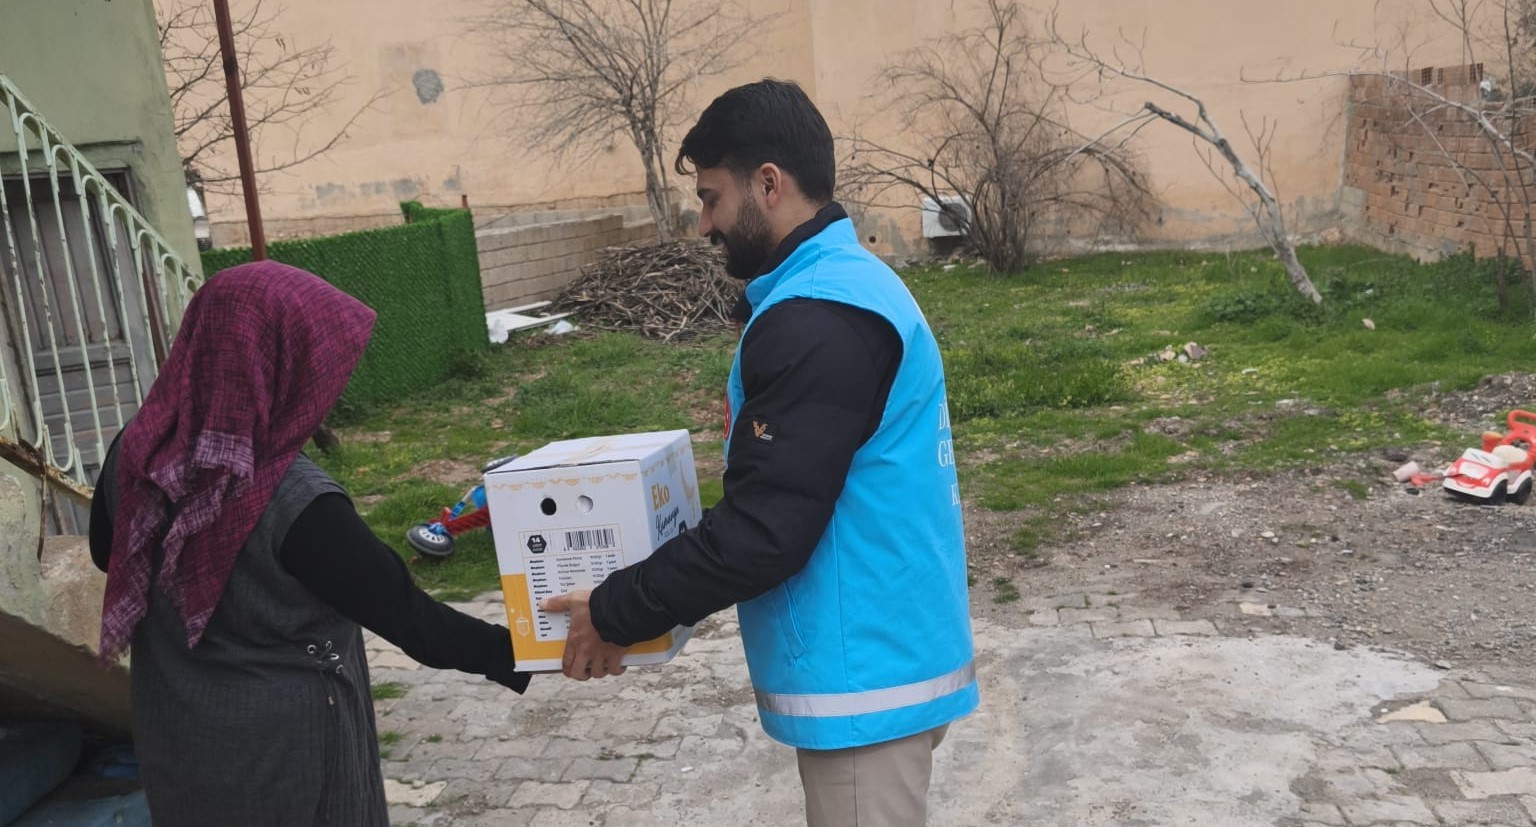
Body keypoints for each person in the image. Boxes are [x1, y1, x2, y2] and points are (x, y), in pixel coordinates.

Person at [541, 79, 977, 827]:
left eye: (712, 198)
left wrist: (615, 608)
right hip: (883, 656)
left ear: (768, 184)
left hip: (864, 679)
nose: (705, 223)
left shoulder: (819, 315)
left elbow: (764, 530)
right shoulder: (846, 287)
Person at [88, 262, 529, 826]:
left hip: (178, 733)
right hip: (288, 755)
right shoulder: (295, 501)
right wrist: (532, 650)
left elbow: (108, 554)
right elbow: (410, 618)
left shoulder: (136, 451)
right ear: (282, 364)